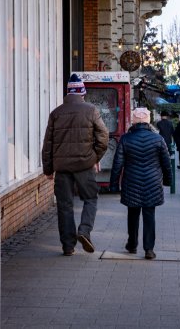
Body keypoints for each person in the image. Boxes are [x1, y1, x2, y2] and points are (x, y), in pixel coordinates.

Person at [42, 74, 109, 256]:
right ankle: (84, 231)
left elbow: (48, 144)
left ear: (68, 93)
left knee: (64, 205)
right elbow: (103, 137)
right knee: (90, 198)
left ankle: (68, 246)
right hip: (84, 165)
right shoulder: (91, 110)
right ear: (82, 93)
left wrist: (48, 169)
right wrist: (95, 157)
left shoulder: (56, 113)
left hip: (62, 168)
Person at [109, 107, 171, 260]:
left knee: (133, 214)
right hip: (152, 182)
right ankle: (149, 249)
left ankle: (132, 244)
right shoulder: (158, 139)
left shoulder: (126, 138)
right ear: (148, 121)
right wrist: (168, 181)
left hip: (132, 182)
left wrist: (114, 184)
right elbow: (166, 163)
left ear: (134, 121)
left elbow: (117, 163)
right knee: (149, 215)